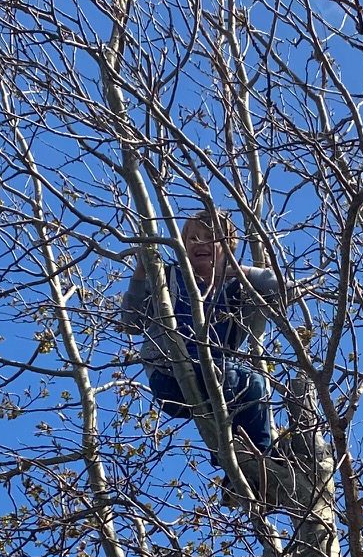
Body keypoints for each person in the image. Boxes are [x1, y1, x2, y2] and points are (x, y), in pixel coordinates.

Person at [121, 210, 285, 501]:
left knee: (240, 401)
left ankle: (243, 474)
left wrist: (235, 270)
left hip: (220, 381)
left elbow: (278, 287)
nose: (200, 243)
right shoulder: (168, 277)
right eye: (192, 237)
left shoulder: (234, 288)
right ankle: (263, 460)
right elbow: (131, 322)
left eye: (211, 238)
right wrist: (142, 273)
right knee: (253, 385)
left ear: (228, 247)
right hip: (171, 376)